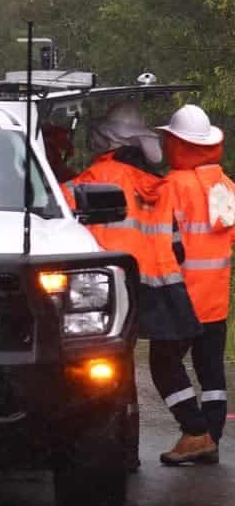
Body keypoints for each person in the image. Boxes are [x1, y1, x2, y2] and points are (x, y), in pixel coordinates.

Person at [60, 101, 193, 470]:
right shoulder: (160, 187)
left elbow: (59, 229)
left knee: (111, 368)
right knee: (141, 364)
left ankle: (123, 451)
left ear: (106, 140)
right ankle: (184, 432)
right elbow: (177, 247)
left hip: (106, 290)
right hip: (158, 288)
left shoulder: (90, 181)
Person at [154, 104, 234, 465]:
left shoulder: (172, 186)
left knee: (163, 362)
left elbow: (161, 240)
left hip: (180, 295)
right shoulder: (225, 184)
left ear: (180, 144)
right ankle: (210, 439)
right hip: (215, 295)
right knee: (211, 370)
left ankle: (194, 430)